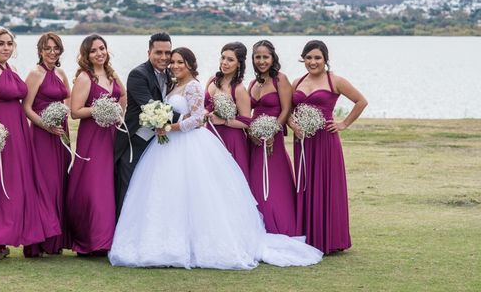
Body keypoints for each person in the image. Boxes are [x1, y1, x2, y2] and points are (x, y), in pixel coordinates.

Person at [109, 47, 323, 270]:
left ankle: (197, 244)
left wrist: (169, 126)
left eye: (180, 62)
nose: (174, 65)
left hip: (189, 144)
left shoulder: (193, 86)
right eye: (173, 62)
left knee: (198, 194)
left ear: (190, 64)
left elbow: (198, 118)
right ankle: (166, 241)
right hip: (167, 147)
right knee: (166, 193)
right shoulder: (174, 85)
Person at [0, 27, 57, 260]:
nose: (6, 48)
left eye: (9, 43)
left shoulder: (12, 69)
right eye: (0, 44)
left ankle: (14, 235)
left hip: (17, 134)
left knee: (17, 187)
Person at [290, 39, 368, 254]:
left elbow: (361, 101)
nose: (312, 62)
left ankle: (331, 239)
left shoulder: (336, 81)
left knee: (326, 186)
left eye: (317, 58)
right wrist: (293, 125)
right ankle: (308, 236)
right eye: (308, 57)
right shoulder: (296, 82)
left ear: (325, 59)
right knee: (306, 185)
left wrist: (343, 123)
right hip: (303, 142)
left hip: (325, 140)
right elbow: (286, 109)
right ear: (303, 59)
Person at [66, 34, 126, 255]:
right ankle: (91, 241)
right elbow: (75, 111)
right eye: (93, 50)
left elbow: (123, 97)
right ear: (86, 55)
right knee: (94, 187)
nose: (99, 53)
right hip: (92, 137)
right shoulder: (84, 77)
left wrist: (118, 111)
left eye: (102, 48)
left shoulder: (112, 74)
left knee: (110, 185)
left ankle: (108, 239)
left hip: (113, 134)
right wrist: (100, 109)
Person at [115, 32, 178, 218]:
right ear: (148, 52)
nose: (164, 57)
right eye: (159, 52)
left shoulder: (172, 73)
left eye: (168, 53)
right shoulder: (138, 74)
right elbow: (152, 107)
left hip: (162, 142)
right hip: (136, 140)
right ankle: (120, 231)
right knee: (128, 186)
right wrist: (187, 119)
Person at [22, 32, 71, 257]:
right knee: (44, 185)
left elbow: (68, 103)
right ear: (40, 51)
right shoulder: (35, 74)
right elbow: (26, 108)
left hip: (61, 134)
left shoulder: (61, 73)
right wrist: (46, 125)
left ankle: (54, 241)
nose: (52, 52)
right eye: (47, 48)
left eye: (56, 48)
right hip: (42, 136)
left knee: (60, 184)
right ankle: (38, 241)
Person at [247, 40, 297, 236]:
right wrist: (251, 133)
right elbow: (247, 111)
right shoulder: (252, 83)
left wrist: (272, 131)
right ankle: (259, 226)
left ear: (273, 58)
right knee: (256, 183)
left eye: (265, 57)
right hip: (253, 141)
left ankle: (280, 226)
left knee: (275, 184)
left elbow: (286, 109)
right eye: (257, 57)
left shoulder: (280, 80)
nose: (261, 61)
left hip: (272, 140)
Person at [205, 42, 252, 181]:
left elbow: (247, 122)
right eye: (223, 57)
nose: (224, 62)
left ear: (239, 64)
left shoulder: (238, 89)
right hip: (211, 135)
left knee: (232, 180)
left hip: (232, 139)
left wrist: (224, 121)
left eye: (230, 60)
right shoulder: (212, 80)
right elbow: (206, 106)